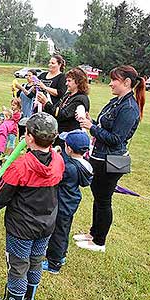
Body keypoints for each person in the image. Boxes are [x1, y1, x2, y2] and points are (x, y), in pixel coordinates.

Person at [0, 112, 64, 300]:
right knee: (35, 261)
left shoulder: (21, 166)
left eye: (25, 132)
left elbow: (0, 195)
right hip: (46, 225)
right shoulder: (58, 161)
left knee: (18, 266)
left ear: (30, 138)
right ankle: (29, 296)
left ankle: (15, 297)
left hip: (21, 229)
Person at [75, 65, 145, 252]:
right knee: (99, 198)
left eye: (114, 80)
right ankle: (93, 233)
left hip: (114, 160)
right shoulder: (117, 102)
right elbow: (106, 127)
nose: (110, 84)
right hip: (101, 158)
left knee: (104, 200)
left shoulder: (129, 108)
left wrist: (92, 127)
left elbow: (116, 139)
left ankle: (99, 242)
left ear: (127, 82)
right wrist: (93, 122)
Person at [42, 130, 93, 274]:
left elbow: (52, 175)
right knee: (63, 231)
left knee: (58, 234)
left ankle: (54, 264)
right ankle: (61, 255)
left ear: (69, 148)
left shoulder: (69, 167)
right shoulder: (83, 164)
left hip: (62, 205)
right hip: (70, 203)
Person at [37, 67, 90, 149]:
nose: (66, 84)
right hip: (59, 137)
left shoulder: (81, 99)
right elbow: (56, 109)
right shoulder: (67, 95)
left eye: (69, 81)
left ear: (78, 82)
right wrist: (44, 104)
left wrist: (46, 102)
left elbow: (62, 115)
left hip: (69, 141)